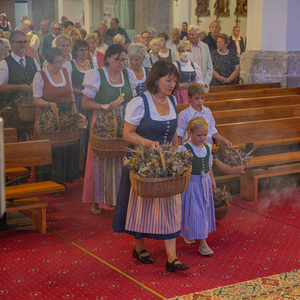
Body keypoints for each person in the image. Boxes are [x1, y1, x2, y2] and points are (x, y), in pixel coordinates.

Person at [112, 60, 189, 272]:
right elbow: (127, 133)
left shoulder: (172, 101)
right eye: (168, 80)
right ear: (156, 79)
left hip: (166, 160)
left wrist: (177, 152)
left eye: (174, 81)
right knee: (141, 204)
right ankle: (139, 246)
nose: (172, 84)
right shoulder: (140, 102)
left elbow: (173, 133)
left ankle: (172, 257)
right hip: (142, 159)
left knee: (171, 204)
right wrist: (148, 144)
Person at [81, 44, 137, 214]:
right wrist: (103, 107)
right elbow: (85, 103)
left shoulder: (129, 74)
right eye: (118, 59)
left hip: (125, 123)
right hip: (103, 122)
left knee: (123, 160)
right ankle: (97, 200)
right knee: (101, 161)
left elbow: (133, 99)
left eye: (124, 59)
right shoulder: (96, 75)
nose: (121, 63)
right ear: (107, 59)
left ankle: (121, 199)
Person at [33, 47, 79, 184]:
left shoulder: (65, 71)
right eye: (56, 62)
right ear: (48, 62)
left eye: (61, 61)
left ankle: (65, 177)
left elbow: (70, 91)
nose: (59, 65)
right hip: (49, 115)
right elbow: (36, 99)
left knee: (67, 143)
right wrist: (49, 104)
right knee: (54, 148)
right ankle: (52, 181)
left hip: (66, 113)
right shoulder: (40, 75)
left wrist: (74, 104)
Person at [179, 116, 216, 255]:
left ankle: (198, 237)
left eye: (205, 135)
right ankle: (202, 243)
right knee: (195, 211)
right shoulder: (185, 148)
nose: (203, 138)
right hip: (192, 184)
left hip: (205, 183)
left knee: (203, 211)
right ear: (189, 133)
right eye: (199, 135)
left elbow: (209, 165)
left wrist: (212, 179)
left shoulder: (207, 147)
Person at [0, 30, 40, 140]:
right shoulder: (4, 63)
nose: (23, 45)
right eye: (19, 42)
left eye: (25, 42)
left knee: (34, 145)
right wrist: (20, 87)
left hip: (32, 110)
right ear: (11, 43)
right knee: (16, 145)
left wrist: (34, 83)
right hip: (12, 113)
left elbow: (41, 81)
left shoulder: (33, 61)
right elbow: (1, 87)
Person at [65, 40, 94, 170]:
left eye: (86, 50)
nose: (84, 52)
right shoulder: (69, 64)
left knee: (90, 131)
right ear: (76, 51)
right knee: (79, 131)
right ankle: (78, 165)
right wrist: (82, 92)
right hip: (77, 100)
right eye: (81, 50)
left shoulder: (93, 64)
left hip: (91, 101)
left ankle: (88, 163)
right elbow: (68, 85)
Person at [177, 83, 232, 147]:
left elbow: (212, 131)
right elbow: (179, 135)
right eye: (196, 98)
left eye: (202, 98)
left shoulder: (207, 111)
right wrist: (179, 150)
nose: (200, 101)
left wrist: (225, 141)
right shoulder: (184, 114)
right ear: (189, 99)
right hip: (190, 149)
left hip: (206, 147)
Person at [188, 24, 213, 92]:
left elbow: (209, 67)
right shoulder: (184, 47)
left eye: (193, 34)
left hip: (203, 87)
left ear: (198, 35)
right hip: (189, 86)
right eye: (189, 34)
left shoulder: (205, 47)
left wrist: (204, 83)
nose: (190, 37)